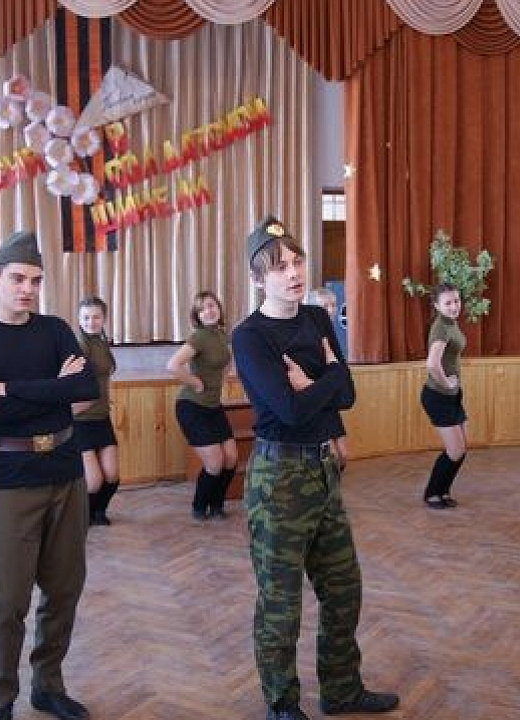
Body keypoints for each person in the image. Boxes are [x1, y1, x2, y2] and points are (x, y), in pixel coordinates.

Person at [231, 216, 398, 720]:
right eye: (279, 267)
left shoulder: (316, 320)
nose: (293, 273)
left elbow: (348, 393)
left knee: (344, 589)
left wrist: (315, 383)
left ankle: (342, 690)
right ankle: (282, 704)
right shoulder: (250, 336)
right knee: (281, 602)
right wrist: (325, 380)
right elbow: (288, 410)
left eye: (297, 261)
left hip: (323, 469)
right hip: (278, 478)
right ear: (258, 278)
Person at [0, 231, 99, 720]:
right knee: (6, 599)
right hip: (11, 476)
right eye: (18, 278)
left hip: (65, 470)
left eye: (36, 280)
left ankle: (47, 685)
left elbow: (86, 387)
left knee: (63, 590)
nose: (27, 289)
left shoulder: (55, 329)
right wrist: (53, 389)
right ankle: (0, 698)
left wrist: (13, 388)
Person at [167, 290, 237, 520]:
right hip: (192, 407)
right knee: (215, 463)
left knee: (231, 459)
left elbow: (227, 361)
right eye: (202, 309)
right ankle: (199, 506)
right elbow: (173, 365)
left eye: (211, 306)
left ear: (219, 308)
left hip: (213, 407)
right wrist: (194, 382)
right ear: (197, 315)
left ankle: (216, 505)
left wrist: (222, 379)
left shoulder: (222, 335)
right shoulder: (199, 337)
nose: (208, 311)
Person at [418, 283, 470, 508]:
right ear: (437, 306)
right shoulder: (441, 327)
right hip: (438, 397)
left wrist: (452, 387)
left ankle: (443, 491)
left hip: (452, 396)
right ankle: (432, 493)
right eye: (448, 303)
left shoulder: (450, 323)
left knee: (462, 448)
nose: (454, 306)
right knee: (456, 450)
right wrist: (447, 383)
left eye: (456, 301)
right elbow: (432, 363)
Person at [73, 296, 121, 526]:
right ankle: (83, 515)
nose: (91, 322)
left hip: (102, 417)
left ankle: (98, 512)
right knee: (93, 482)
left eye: (96, 317)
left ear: (104, 319)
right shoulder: (79, 345)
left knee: (112, 475)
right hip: (81, 420)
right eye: (86, 318)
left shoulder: (102, 342)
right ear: (79, 319)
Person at [305, 286, 350, 467]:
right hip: (315, 401)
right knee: (330, 456)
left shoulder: (331, 333)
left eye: (333, 305)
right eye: (325, 306)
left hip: (330, 403)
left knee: (343, 455)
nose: (330, 310)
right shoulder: (308, 333)